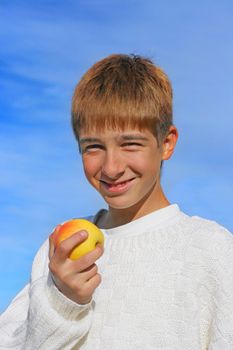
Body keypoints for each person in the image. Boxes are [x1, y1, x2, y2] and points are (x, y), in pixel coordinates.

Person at [0, 54, 233, 350]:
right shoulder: (58, 253)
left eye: (130, 143)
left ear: (167, 143)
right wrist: (62, 302)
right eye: (93, 147)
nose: (111, 168)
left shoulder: (213, 252)